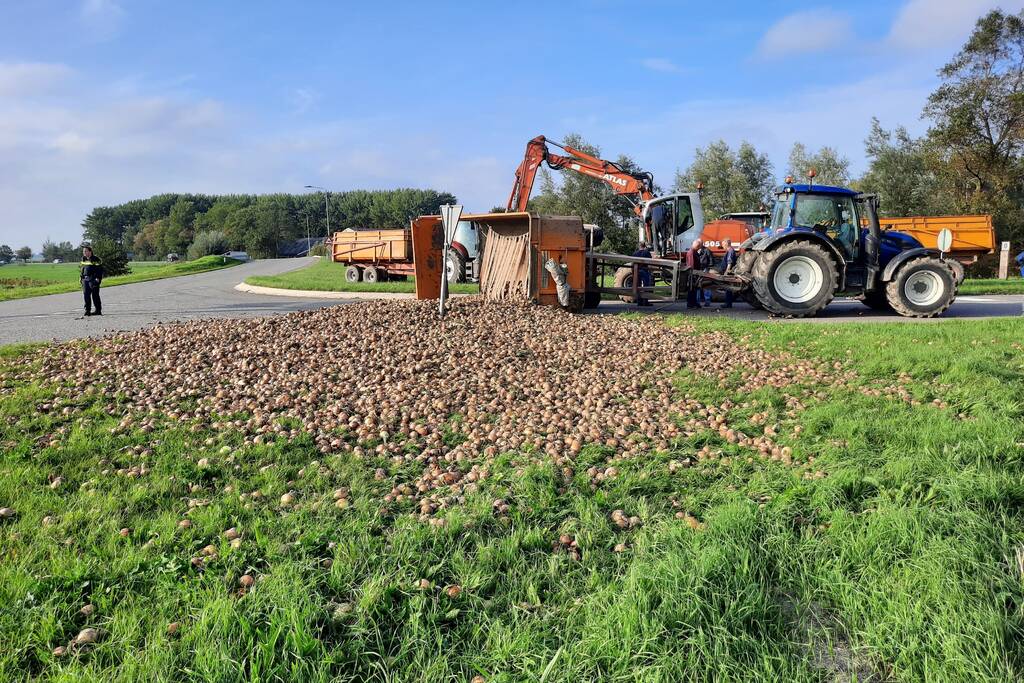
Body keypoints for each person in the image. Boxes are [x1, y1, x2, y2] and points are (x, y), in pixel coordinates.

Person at [80, 244, 104, 316]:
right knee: (86, 295)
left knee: (95, 295)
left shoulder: (96, 259)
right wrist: (81, 277)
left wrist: (98, 278)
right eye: (83, 251)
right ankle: (87, 310)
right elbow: (82, 269)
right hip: (85, 280)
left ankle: (98, 310)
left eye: (85, 251)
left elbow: (100, 270)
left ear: (90, 251)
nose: (84, 252)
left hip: (93, 279)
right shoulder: (83, 259)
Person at [632, 241, 653, 307]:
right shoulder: (647, 252)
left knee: (638, 286)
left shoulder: (635, 253)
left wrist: (633, 272)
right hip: (644, 270)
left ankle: (639, 302)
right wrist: (651, 271)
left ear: (639, 246)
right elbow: (650, 263)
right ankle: (645, 302)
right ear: (645, 246)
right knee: (646, 286)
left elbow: (632, 263)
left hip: (637, 271)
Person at [719, 238, 738, 308]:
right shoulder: (730, 251)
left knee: (728, 288)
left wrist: (726, 273)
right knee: (728, 288)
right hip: (728, 272)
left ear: (726, 244)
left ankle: (728, 303)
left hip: (729, 273)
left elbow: (729, 263)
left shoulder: (730, 251)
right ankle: (728, 303)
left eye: (723, 245)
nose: (722, 246)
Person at [685, 238, 702, 309]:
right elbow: (691, 265)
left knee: (694, 289)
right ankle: (690, 304)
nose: (699, 248)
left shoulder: (694, 252)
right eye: (699, 247)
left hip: (694, 273)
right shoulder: (691, 252)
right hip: (693, 274)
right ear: (696, 246)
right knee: (692, 289)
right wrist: (695, 274)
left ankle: (694, 303)